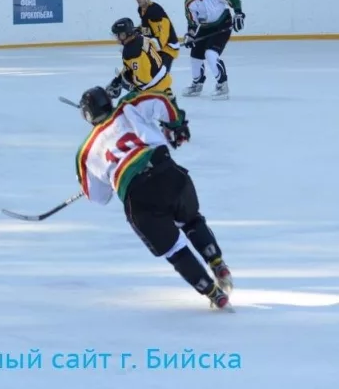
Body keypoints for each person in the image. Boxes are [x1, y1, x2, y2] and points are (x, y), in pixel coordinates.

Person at [75, 86, 234, 310]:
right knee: (191, 220)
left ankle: (213, 293)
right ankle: (217, 263)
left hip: (137, 195)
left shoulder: (85, 152)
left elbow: (99, 197)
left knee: (174, 249)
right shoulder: (127, 106)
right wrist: (177, 125)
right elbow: (161, 100)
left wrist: (105, 180)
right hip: (166, 170)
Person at [182, 0, 245, 99]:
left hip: (223, 24)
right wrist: (190, 35)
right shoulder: (189, 1)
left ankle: (222, 85)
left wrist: (238, 14)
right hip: (205, 28)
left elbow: (234, 0)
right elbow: (192, 23)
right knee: (195, 55)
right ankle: (197, 84)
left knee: (210, 53)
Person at [106, 17, 175, 103]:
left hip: (153, 88)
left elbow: (144, 79)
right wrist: (119, 79)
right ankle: (167, 94)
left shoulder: (131, 51)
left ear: (124, 35)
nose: (116, 38)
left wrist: (126, 81)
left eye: (118, 35)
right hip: (164, 78)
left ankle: (162, 99)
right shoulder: (139, 37)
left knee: (124, 105)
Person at [134, 0, 181, 69]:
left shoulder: (155, 10)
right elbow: (147, 26)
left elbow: (164, 30)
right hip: (154, 45)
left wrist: (159, 44)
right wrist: (138, 30)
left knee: (160, 74)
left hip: (168, 47)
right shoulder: (141, 9)